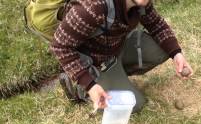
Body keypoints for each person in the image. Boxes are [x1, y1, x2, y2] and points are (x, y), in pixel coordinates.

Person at [49, 0, 193, 113]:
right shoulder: (92, 7)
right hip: (93, 63)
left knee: (162, 50)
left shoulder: (142, 4)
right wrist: (89, 84)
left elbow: (156, 24)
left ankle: (117, 75)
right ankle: (79, 86)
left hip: (115, 50)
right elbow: (59, 46)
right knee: (135, 105)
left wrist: (176, 54)